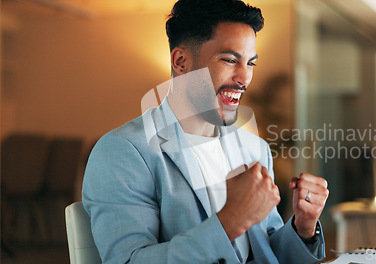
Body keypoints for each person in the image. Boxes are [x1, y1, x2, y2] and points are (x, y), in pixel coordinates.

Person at [82, 0, 329, 263]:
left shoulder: (254, 149)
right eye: (230, 60)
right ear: (181, 61)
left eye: (250, 63)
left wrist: (303, 228)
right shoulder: (123, 151)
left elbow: (267, 251)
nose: (244, 78)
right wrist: (231, 221)